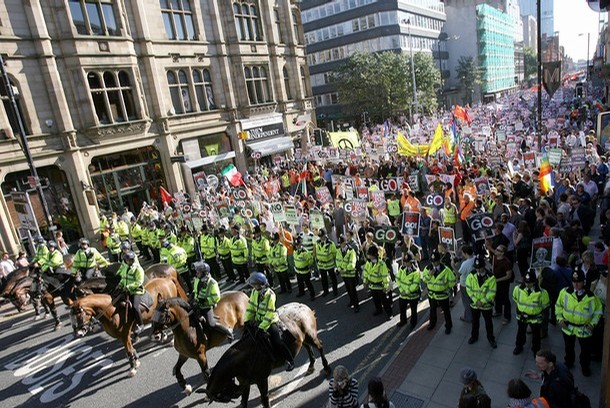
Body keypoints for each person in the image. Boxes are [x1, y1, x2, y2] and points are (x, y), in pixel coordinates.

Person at [554, 268, 602, 377]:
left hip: (584, 329)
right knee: (568, 347)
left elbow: (598, 311)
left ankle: (585, 366)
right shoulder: (565, 292)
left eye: (579, 282)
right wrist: (560, 319)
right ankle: (569, 362)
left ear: (583, 282)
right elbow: (558, 306)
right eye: (574, 281)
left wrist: (592, 324)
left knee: (585, 350)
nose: (576, 284)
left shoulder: (591, 297)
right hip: (568, 326)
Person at [244, 272, 295, 371]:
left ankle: (290, 360)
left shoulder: (270, 295)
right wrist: (247, 320)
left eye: (256, 284)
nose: (254, 286)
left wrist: (262, 327)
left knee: (277, 341)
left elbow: (269, 313)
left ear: (262, 285)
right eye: (254, 285)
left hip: (270, 321)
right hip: (258, 320)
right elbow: (250, 307)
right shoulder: (255, 292)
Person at [190, 261, 233, 343]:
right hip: (197, 303)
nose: (196, 273)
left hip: (207, 305)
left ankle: (227, 331)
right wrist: (193, 296)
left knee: (211, 323)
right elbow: (195, 290)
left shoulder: (212, 282)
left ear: (204, 273)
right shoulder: (197, 279)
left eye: (198, 271)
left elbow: (216, 297)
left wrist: (205, 301)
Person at [512, 269, 550, 357]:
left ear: (535, 281)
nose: (527, 284)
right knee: (520, 332)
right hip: (522, 316)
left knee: (536, 335)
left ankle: (536, 350)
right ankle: (519, 346)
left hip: (535, 318)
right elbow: (515, 299)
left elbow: (545, 306)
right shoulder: (517, 289)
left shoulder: (542, 293)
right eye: (526, 282)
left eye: (530, 282)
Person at [466, 257, 497, 348]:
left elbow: (492, 292)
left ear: (484, 266)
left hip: (486, 305)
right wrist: (476, 301)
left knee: (488, 323)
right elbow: (469, 289)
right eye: (476, 268)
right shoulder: (471, 275)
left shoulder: (491, 277)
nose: (478, 270)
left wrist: (483, 301)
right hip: (475, 304)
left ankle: (491, 338)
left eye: (480, 268)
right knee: (475, 322)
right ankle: (474, 336)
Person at [422, 250, 455, 334]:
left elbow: (452, 281)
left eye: (436, 261)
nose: (434, 264)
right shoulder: (427, 268)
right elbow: (424, 279)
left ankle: (448, 326)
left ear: (439, 260)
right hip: (432, 295)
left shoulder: (446, 270)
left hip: (442, 295)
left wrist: (446, 287)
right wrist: (429, 275)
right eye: (432, 261)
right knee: (432, 310)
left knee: (446, 311)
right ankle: (432, 323)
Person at [116, 251, 145, 335]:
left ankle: (141, 324)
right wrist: (120, 285)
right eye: (127, 260)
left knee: (135, 307)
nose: (128, 261)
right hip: (126, 289)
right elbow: (124, 278)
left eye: (129, 260)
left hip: (135, 291)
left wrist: (128, 287)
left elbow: (139, 282)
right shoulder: (125, 267)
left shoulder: (138, 269)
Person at [362, 245, 392, 317]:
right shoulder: (368, 263)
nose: (368, 255)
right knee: (375, 300)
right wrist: (365, 281)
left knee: (384, 301)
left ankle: (389, 312)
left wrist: (386, 287)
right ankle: (379, 310)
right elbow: (365, 272)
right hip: (372, 285)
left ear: (373, 255)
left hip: (380, 285)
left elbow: (385, 276)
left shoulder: (381, 264)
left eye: (369, 254)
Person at [395, 251, 421, 328]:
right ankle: (403, 321)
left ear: (411, 262)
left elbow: (415, 284)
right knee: (402, 309)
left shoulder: (416, 271)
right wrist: (401, 290)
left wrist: (406, 292)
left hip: (412, 295)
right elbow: (398, 279)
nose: (405, 264)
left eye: (407, 262)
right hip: (403, 295)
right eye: (405, 262)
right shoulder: (402, 268)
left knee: (413, 310)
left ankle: (413, 322)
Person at [336, 234, 359, 312]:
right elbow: (337, 261)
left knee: (353, 289)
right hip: (344, 274)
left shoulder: (351, 250)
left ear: (345, 243)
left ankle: (356, 305)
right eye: (340, 243)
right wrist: (339, 268)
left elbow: (352, 263)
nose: (341, 245)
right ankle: (351, 300)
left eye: (342, 243)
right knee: (348, 289)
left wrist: (344, 269)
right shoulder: (339, 250)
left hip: (350, 274)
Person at [315, 229, 338, 297]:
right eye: (320, 236)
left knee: (333, 278)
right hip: (321, 264)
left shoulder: (331, 243)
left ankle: (335, 290)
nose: (321, 238)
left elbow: (334, 253)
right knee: (323, 279)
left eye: (322, 236)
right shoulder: (317, 242)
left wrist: (330, 259)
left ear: (325, 235)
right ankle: (325, 291)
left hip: (329, 264)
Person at [293, 236, 315, 300]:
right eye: (296, 245)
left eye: (298, 245)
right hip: (298, 270)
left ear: (301, 244)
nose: (297, 246)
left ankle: (312, 294)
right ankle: (301, 292)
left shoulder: (305, 252)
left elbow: (310, 259)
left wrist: (309, 265)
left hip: (305, 271)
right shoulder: (295, 251)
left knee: (308, 283)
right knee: (300, 283)